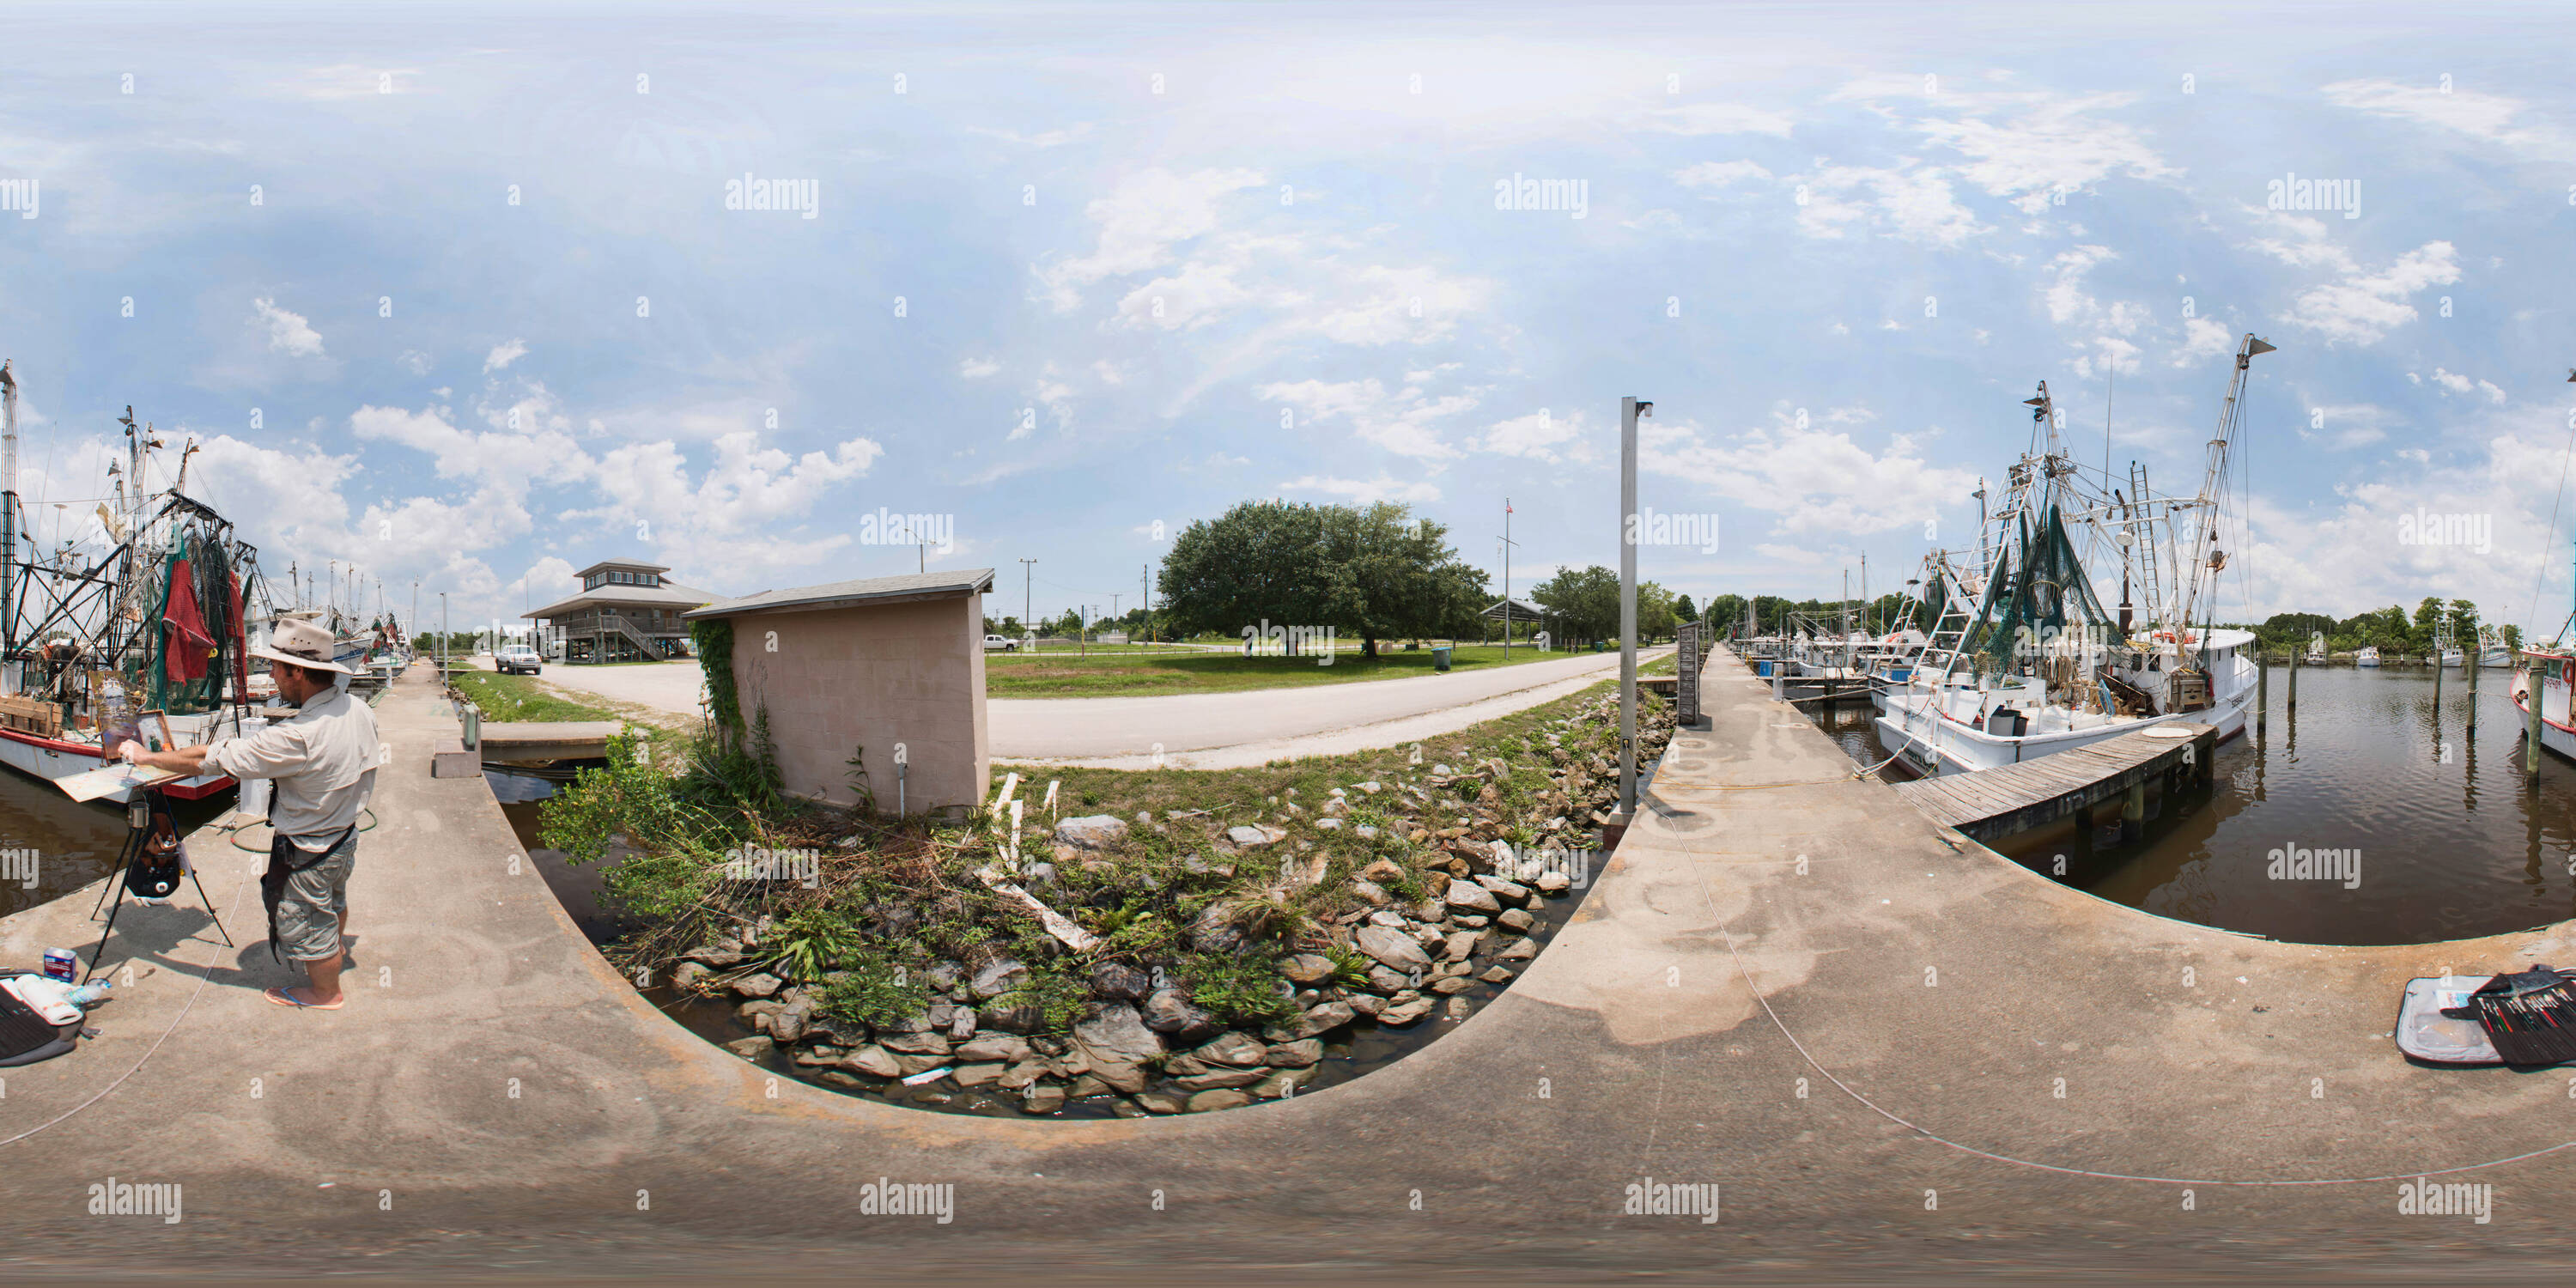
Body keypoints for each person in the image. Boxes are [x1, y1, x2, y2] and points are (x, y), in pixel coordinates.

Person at [121, 618, 378, 1011]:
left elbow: (211, 759)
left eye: (276, 666)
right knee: (332, 904)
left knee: (307, 920)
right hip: (344, 837)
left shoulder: (298, 735)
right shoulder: (356, 707)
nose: (271, 675)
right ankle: (333, 954)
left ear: (298, 671)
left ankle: (325, 993)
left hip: (309, 848)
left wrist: (147, 757)